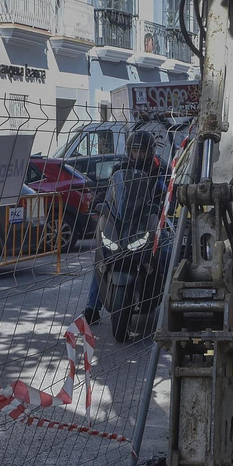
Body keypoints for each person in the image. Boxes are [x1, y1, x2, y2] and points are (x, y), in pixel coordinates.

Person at [83, 130, 166, 324]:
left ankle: (169, 300)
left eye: (142, 151)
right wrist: (98, 202)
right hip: (122, 222)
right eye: (135, 151)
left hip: (149, 221)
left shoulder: (161, 170)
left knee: (167, 253)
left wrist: (163, 206)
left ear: (150, 151)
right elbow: (109, 190)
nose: (138, 155)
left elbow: (169, 193)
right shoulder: (120, 168)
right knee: (103, 257)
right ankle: (92, 306)